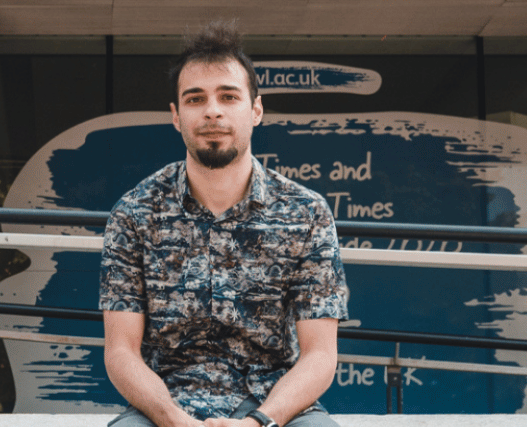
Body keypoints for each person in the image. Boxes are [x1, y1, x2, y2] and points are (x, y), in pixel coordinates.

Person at [100, 20, 350, 427]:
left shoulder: (307, 213)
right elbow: (120, 351)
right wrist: (172, 419)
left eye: (228, 96)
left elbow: (320, 354)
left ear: (256, 110)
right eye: (195, 99)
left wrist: (261, 422)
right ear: (176, 116)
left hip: (277, 406)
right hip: (166, 403)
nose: (212, 110)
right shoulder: (134, 214)